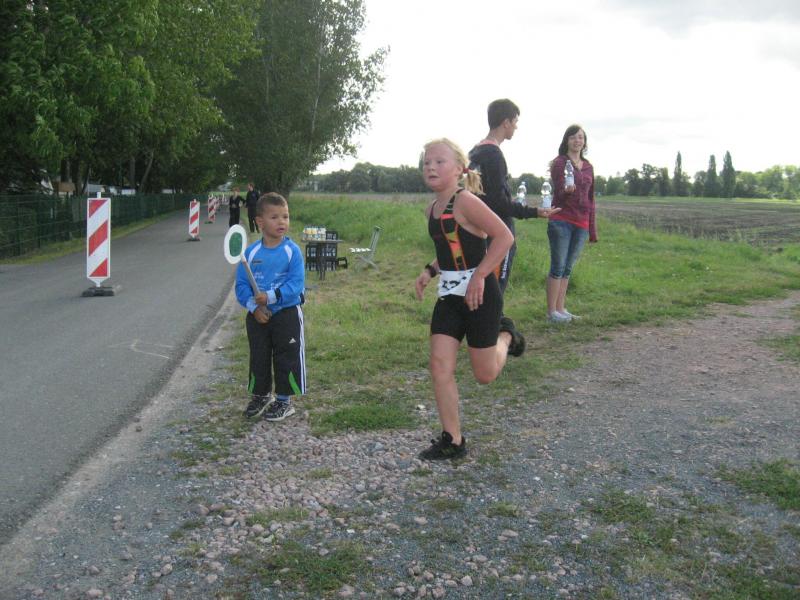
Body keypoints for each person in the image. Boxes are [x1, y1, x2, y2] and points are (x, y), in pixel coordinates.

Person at [415, 138, 526, 460]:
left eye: (439, 162)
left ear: (459, 169)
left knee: (484, 375)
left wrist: (480, 275)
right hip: (449, 295)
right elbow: (449, 250)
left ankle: (506, 335)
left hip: (480, 295)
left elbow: (504, 237)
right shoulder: (432, 209)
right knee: (439, 365)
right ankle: (453, 439)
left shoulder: (465, 201)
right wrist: (429, 271)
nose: (431, 167)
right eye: (427, 162)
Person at [468, 99, 560, 295]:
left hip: (477, 231)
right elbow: (499, 203)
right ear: (506, 122)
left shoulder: (475, 152)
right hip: (497, 234)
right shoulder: (494, 155)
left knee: (479, 291)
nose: (516, 127)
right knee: (494, 292)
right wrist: (534, 212)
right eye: (515, 121)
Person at [236, 192, 306, 421]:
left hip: (286, 314)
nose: (281, 222)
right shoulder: (250, 253)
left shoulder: (292, 251)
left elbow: (296, 285)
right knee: (259, 356)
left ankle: (284, 401)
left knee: (286, 356)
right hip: (258, 317)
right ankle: (261, 396)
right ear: (260, 221)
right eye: (274, 217)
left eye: (285, 216)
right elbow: (241, 286)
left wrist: (271, 297)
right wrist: (254, 308)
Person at [546, 124, 597, 323]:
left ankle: (561, 309)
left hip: (581, 222)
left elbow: (591, 199)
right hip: (562, 220)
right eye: (573, 137)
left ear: (585, 142)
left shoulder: (589, 167)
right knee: (558, 266)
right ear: (567, 141)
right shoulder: (560, 163)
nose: (577, 141)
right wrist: (565, 192)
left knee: (567, 268)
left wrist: (592, 228)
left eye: (581, 137)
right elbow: (558, 193)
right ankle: (552, 312)